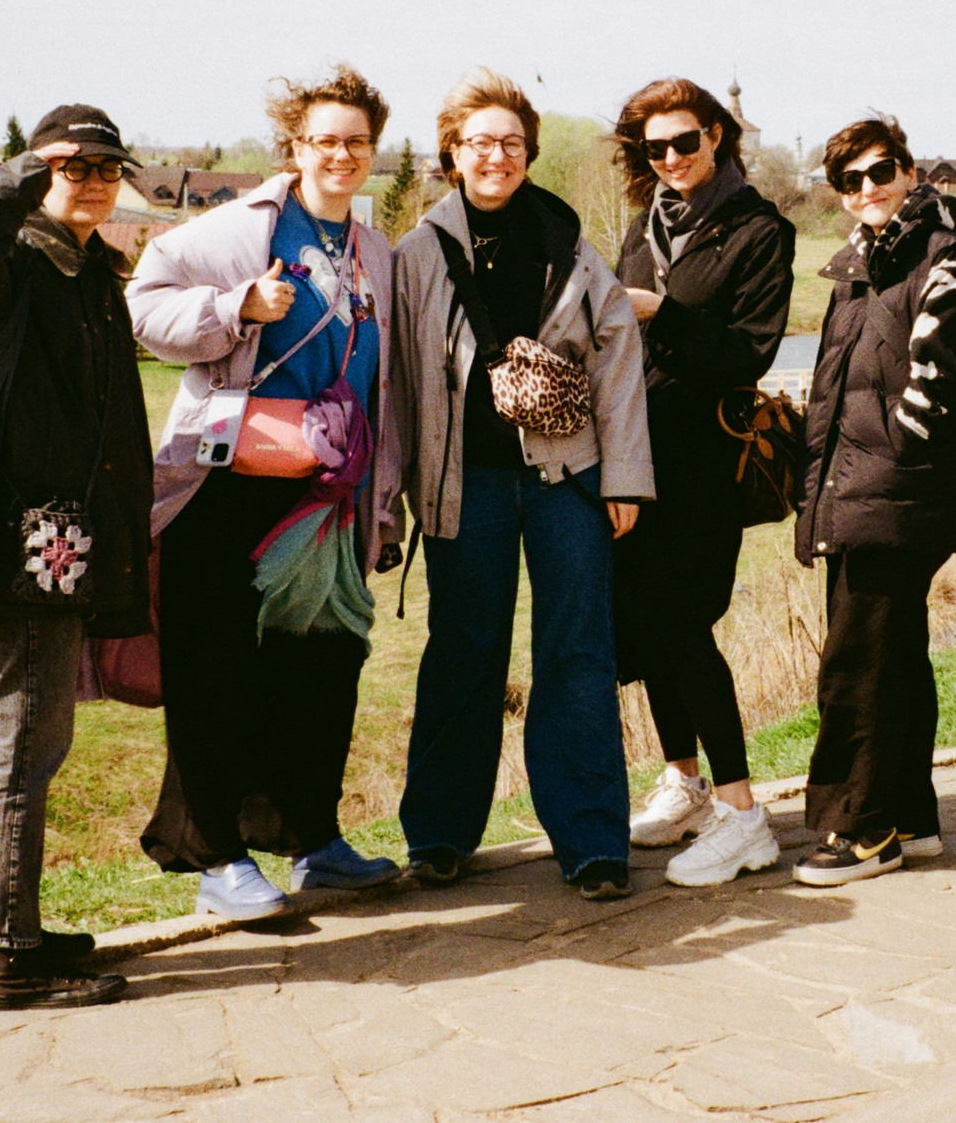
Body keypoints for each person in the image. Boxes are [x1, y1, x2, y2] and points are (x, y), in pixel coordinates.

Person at [128, 67, 405, 919]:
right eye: (324, 139)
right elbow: (145, 303)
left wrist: (385, 500)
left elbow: (386, 379)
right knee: (215, 671)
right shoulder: (237, 229)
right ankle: (217, 860)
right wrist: (234, 304)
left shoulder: (376, 249)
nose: (341, 154)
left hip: (326, 495)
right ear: (293, 146)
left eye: (356, 141)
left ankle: (312, 840)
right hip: (227, 486)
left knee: (322, 667)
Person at [391, 70, 653, 900]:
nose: (494, 156)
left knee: (577, 651)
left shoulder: (570, 243)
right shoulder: (417, 253)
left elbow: (616, 359)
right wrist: (393, 492)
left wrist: (624, 480)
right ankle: (438, 834)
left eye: (509, 142)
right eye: (477, 143)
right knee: (465, 648)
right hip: (463, 483)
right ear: (451, 154)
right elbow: (393, 378)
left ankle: (590, 841)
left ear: (528, 152)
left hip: (564, 477)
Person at [0, 105, 152, 1010]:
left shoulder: (91, 269)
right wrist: (14, 176)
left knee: (22, 738)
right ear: (38, 171)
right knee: (25, 741)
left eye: (106, 166)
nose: (91, 178)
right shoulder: (13, 263)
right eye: (71, 164)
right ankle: (17, 962)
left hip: (65, 541)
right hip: (18, 537)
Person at [791, 117, 956, 886]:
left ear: (908, 170)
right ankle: (909, 813)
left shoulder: (945, 256)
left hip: (895, 491)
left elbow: (940, 378)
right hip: (856, 488)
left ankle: (860, 829)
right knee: (895, 657)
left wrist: (893, 451)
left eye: (880, 171)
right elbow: (831, 385)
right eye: (849, 180)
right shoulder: (856, 266)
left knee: (858, 664)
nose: (867, 189)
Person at [609, 79, 795, 888]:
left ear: (717, 136)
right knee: (647, 632)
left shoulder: (760, 229)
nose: (673, 159)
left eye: (686, 141)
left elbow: (749, 350)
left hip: (703, 465)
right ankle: (684, 780)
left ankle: (744, 814)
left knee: (683, 624)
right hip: (631, 458)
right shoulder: (641, 228)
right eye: (656, 148)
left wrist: (663, 314)